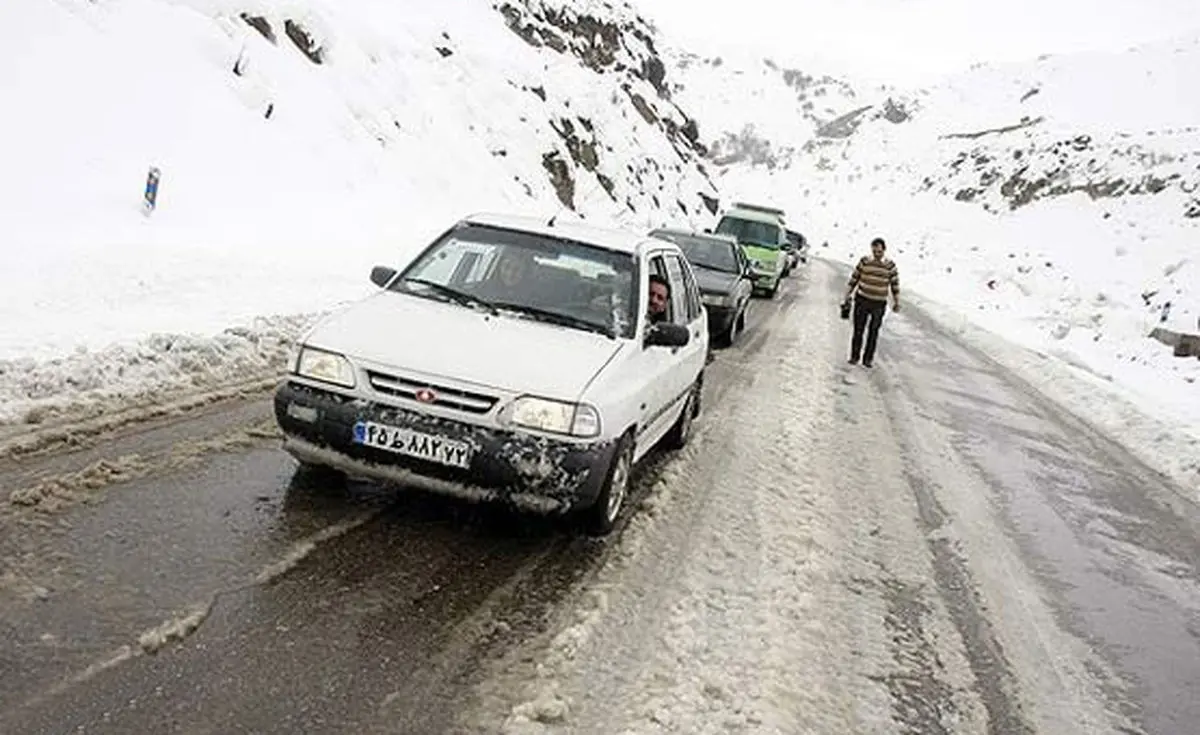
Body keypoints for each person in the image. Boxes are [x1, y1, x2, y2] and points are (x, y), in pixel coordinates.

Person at [842, 237, 899, 368]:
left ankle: (868, 359)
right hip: (862, 299)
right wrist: (847, 294)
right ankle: (854, 357)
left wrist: (896, 302)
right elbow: (854, 278)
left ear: (884, 250)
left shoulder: (890, 266)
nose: (876, 254)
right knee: (858, 330)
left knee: (873, 331)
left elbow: (894, 285)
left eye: (879, 251)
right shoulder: (865, 261)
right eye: (874, 251)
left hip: (878, 303)